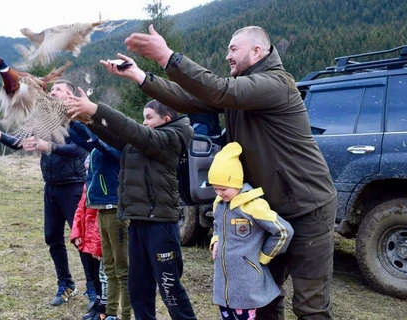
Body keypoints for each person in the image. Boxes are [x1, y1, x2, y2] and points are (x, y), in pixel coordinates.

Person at [103, 25, 337, 319]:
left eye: (233, 49)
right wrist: (141, 76)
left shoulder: (276, 84)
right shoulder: (241, 92)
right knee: (261, 296)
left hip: (307, 208)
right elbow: (188, 98)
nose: (227, 55)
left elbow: (219, 90)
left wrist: (168, 57)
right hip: (264, 209)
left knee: (310, 304)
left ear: (257, 51)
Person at [66, 95, 197, 320]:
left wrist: (97, 109)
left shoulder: (170, 139)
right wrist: (85, 119)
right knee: (138, 289)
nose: (144, 122)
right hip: (137, 222)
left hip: (161, 225)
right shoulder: (141, 142)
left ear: (166, 119)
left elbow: (134, 131)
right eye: (143, 118)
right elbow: (111, 135)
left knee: (170, 289)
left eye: (149, 117)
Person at [0, 79, 93, 307]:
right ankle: (66, 284)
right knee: (52, 238)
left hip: (73, 186)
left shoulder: (77, 119)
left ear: (70, 96)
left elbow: (80, 150)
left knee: (81, 239)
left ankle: (93, 288)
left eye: (58, 90)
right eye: (51, 90)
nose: (52, 93)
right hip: (50, 187)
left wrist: (49, 146)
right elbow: (23, 143)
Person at [208, 142, 294, 320]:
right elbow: (217, 224)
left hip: (246, 284)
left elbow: (283, 231)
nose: (219, 193)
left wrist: (264, 257)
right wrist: (215, 238)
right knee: (226, 315)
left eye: (223, 188)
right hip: (223, 283)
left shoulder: (254, 206)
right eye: (215, 188)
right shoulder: (219, 204)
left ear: (237, 182)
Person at [69, 121, 131, 320]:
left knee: (122, 269)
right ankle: (111, 313)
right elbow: (80, 138)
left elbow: (96, 141)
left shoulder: (116, 147)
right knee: (110, 266)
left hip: (115, 210)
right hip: (101, 210)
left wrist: (88, 122)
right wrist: (68, 120)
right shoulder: (96, 149)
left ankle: (127, 315)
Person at [70, 155, 106, 316]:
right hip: (86, 240)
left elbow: (102, 220)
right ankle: (97, 302)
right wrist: (77, 232)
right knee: (92, 273)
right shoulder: (87, 185)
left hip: (96, 242)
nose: (87, 171)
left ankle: (104, 309)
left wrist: (99, 247)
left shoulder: (104, 187)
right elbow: (80, 209)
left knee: (102, 275)